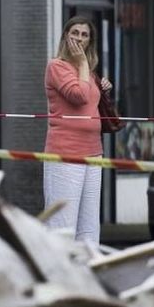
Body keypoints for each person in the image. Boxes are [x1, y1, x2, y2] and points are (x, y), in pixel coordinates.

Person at [43, 16, 110, 243]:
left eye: (84, 35)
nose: (79, 39)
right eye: (75, 33)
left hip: (94, 151)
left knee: (89, 225)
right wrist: (82, 64)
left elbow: (90, 102)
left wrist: (102, 89)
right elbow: (79, 97)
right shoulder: (57, 66)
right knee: (63, 225)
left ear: (90, 41)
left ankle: (88, 273)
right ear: (65, 36)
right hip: (66, 152)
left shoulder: (89, 73)